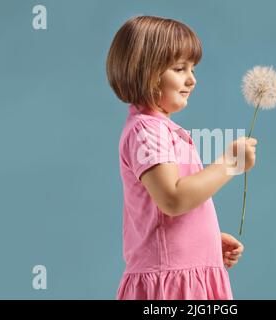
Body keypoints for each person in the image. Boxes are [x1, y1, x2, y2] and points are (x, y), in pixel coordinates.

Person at [106, 15, 257, 300]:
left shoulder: (161, 130)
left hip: (188, 277)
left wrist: (205, 241)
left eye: (192, 68)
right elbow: (173, 198)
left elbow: (167, 210)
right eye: (179, 68)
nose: (192, 79)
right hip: (170, 287)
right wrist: (230, 163)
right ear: (145, 72)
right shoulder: (146, 131)